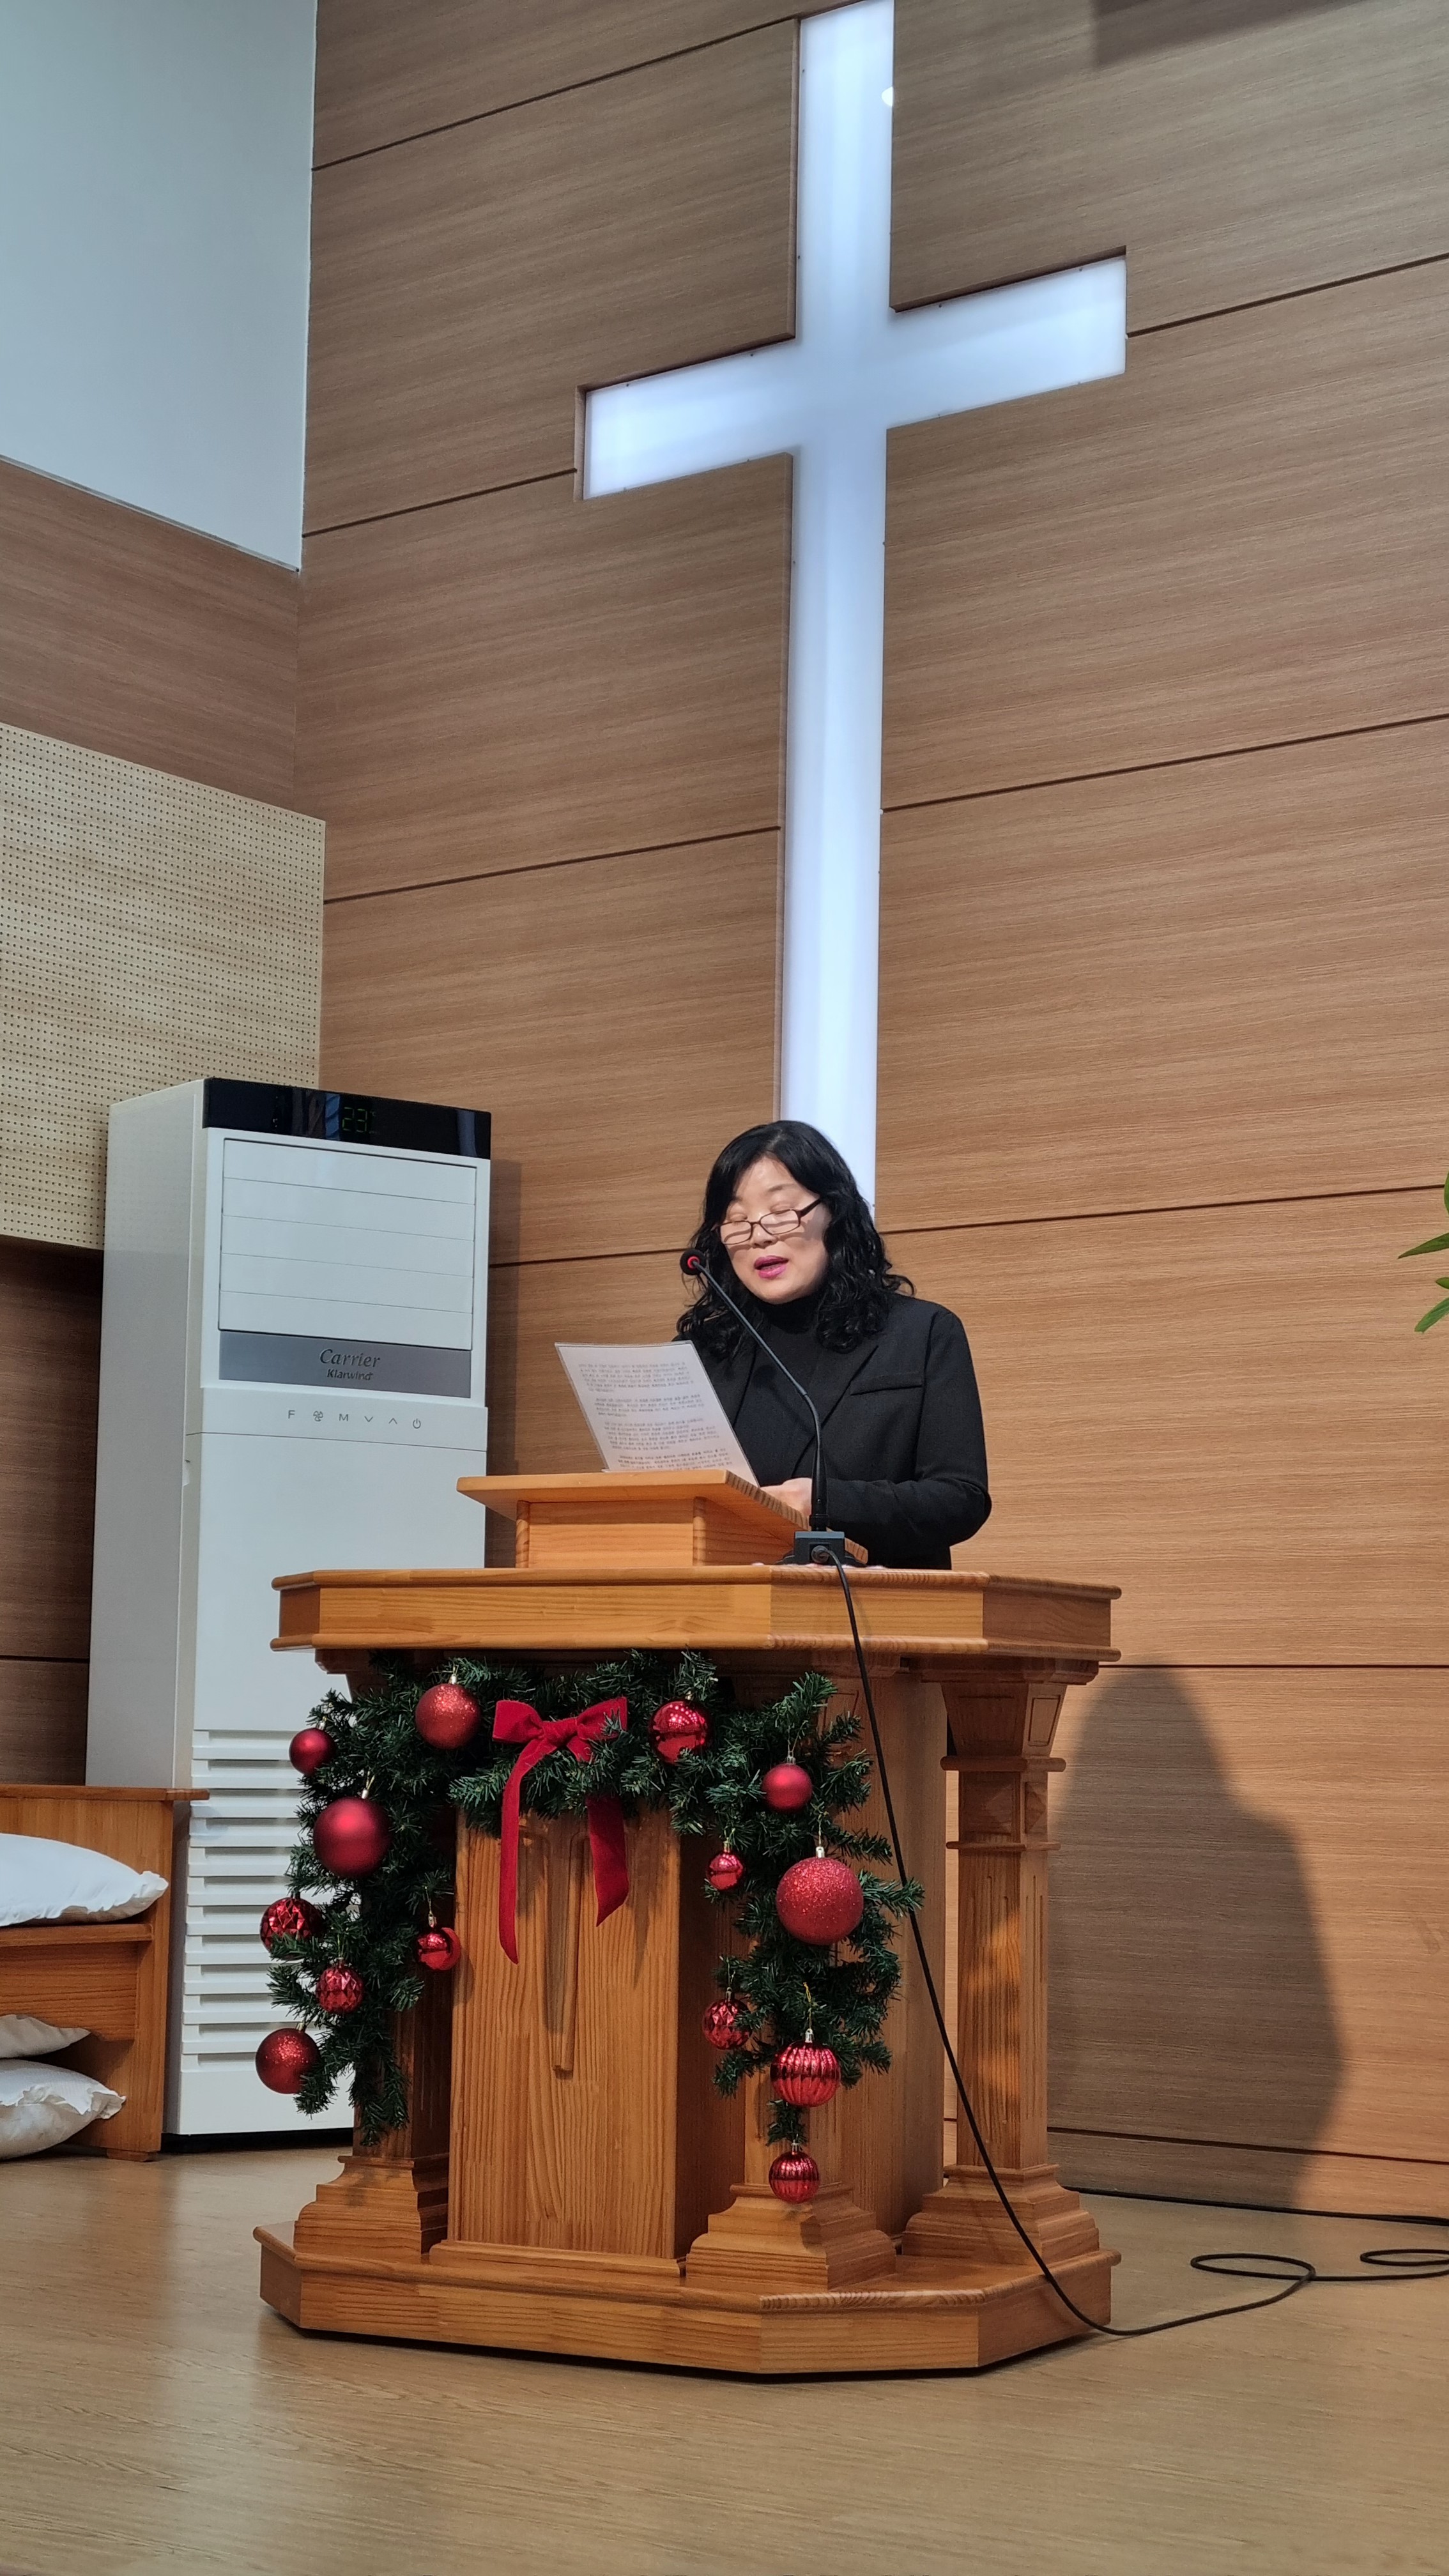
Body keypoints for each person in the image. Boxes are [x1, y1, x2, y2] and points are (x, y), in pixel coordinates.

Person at [677, 1119, 990, 1569]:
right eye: (737, 1221)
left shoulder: (921, 1333)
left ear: (834, 1213)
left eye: (781, 1212)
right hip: (724, 1605)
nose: (760, 1235)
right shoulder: (700, 1354)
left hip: (871, 1606)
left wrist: (823, 1502)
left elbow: (960, 1499)